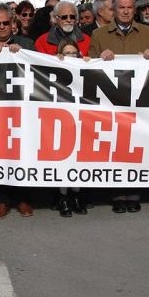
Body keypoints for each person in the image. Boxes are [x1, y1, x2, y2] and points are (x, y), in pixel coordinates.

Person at [89, 0, 149, 213]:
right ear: (114, 10)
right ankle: (118, 194)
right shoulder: (99, 34)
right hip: (112, 101)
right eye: (121, 8)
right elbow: (88, 65)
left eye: (130, 8)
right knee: (116, 146)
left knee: (136, 146)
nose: (126, 12)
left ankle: (134, 192)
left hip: (139, 100)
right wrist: (101, 57)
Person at [0, 3, 36, 219]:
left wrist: (24, 56)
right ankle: (2, 201)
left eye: (6, 23)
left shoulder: (28, 45)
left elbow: (40, 72)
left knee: (21, 152)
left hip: (22, 109)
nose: (2, 27)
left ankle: (23, 199)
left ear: (13, 23)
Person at [54, 38, 89, 217]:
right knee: (63, 161)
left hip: (81, 120)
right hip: (62, 120)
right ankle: (63, 198)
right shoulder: (54, 69)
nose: (70, 56)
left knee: (78, 159)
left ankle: (76, 196)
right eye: (67, 53)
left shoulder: (85, 66)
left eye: (73, 53)